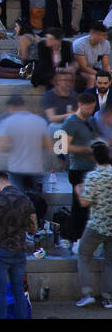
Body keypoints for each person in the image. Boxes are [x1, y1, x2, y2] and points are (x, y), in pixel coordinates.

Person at [0, 171, 37, 319]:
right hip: (19, 250)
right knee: (18, 291)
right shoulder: (26, 200)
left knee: (0, 292)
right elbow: (33, 228)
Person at [75, 140, 112, 308]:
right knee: (109, 261)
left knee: (83, 255)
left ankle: (87, 293)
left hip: (97, 224)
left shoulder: (93, 176)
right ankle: (108, 298)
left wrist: (78, 190)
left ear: (93, 158)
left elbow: (84, 202)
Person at [61, 92, 100, 237]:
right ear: (79, 105)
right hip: (78, 169)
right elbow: (61, 146)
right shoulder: (70, 123)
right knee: (79, 209)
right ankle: (76, 237)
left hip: (92, 168)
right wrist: (85, 149)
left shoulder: (90, 120)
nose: (90, 112)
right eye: (87, 109)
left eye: (92, 109)